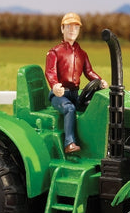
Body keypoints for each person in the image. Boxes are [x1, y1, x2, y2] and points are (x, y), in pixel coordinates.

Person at [44, 12, 108, 154]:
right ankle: (69, 143)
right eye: (69, 27)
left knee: (92, 106)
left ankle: (95, 142)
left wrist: (100, 80)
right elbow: (50, 72)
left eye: (76, 27)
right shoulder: (55, 52)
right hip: (59, 95)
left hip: (75, 94)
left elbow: (89, 71)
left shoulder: (82, 54)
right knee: (69, 108)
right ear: (62, 29)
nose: (72, 30)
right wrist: (55, 85)